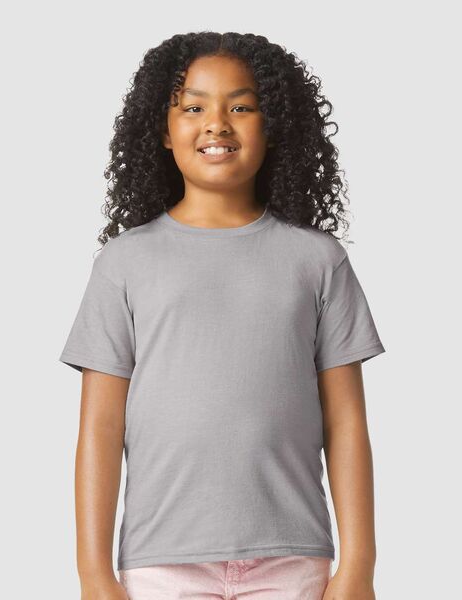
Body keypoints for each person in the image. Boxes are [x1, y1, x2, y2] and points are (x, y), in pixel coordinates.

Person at [59, 31, 386, 600]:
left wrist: (358, 565)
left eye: (241, 107)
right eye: (193, 108)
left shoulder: (318, 260)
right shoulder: (124, 262)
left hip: (292, 560)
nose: (216, 124)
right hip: (162, 563)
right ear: (164, 130)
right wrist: (93, 574)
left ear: (273, 125)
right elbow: (101, 428)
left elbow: (346, 424)